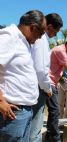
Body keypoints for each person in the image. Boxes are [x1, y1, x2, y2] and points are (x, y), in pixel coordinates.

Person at [0, 10, 46, 142]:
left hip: (24, 111)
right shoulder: (10, 37)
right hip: (12, 113)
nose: (40, 37)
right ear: (32, 27)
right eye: (41, 32)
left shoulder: (23, 42)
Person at [30, 13, 63, 142]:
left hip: (35, 86)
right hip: (39, 87)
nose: (56, 34)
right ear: (49, 27)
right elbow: (41, 69)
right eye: (56, 31)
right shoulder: (42, 40)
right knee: (35, 128)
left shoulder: (38, 39)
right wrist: (47, 88)